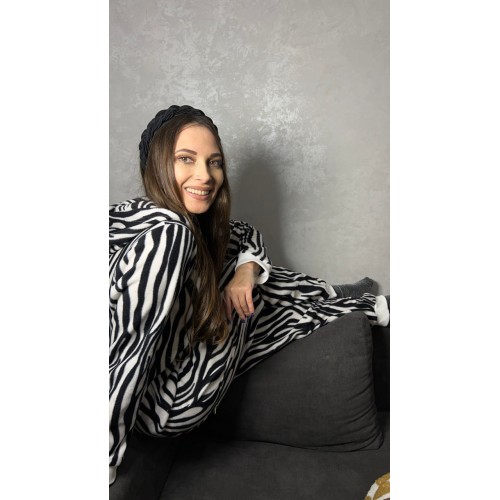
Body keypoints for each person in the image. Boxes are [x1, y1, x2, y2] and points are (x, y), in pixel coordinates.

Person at [109, 105, 390, 485]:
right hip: (171, 403)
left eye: (214, 162)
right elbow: (130, 346)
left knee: (236, 264)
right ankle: (339, 298)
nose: (204, 176)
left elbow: (245, 233)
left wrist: (245, 272)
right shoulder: (167, 234)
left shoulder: (140, 217)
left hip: (176, 359)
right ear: (155, 164)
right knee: (253, 296)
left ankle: (332, 295)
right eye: (186, 159)